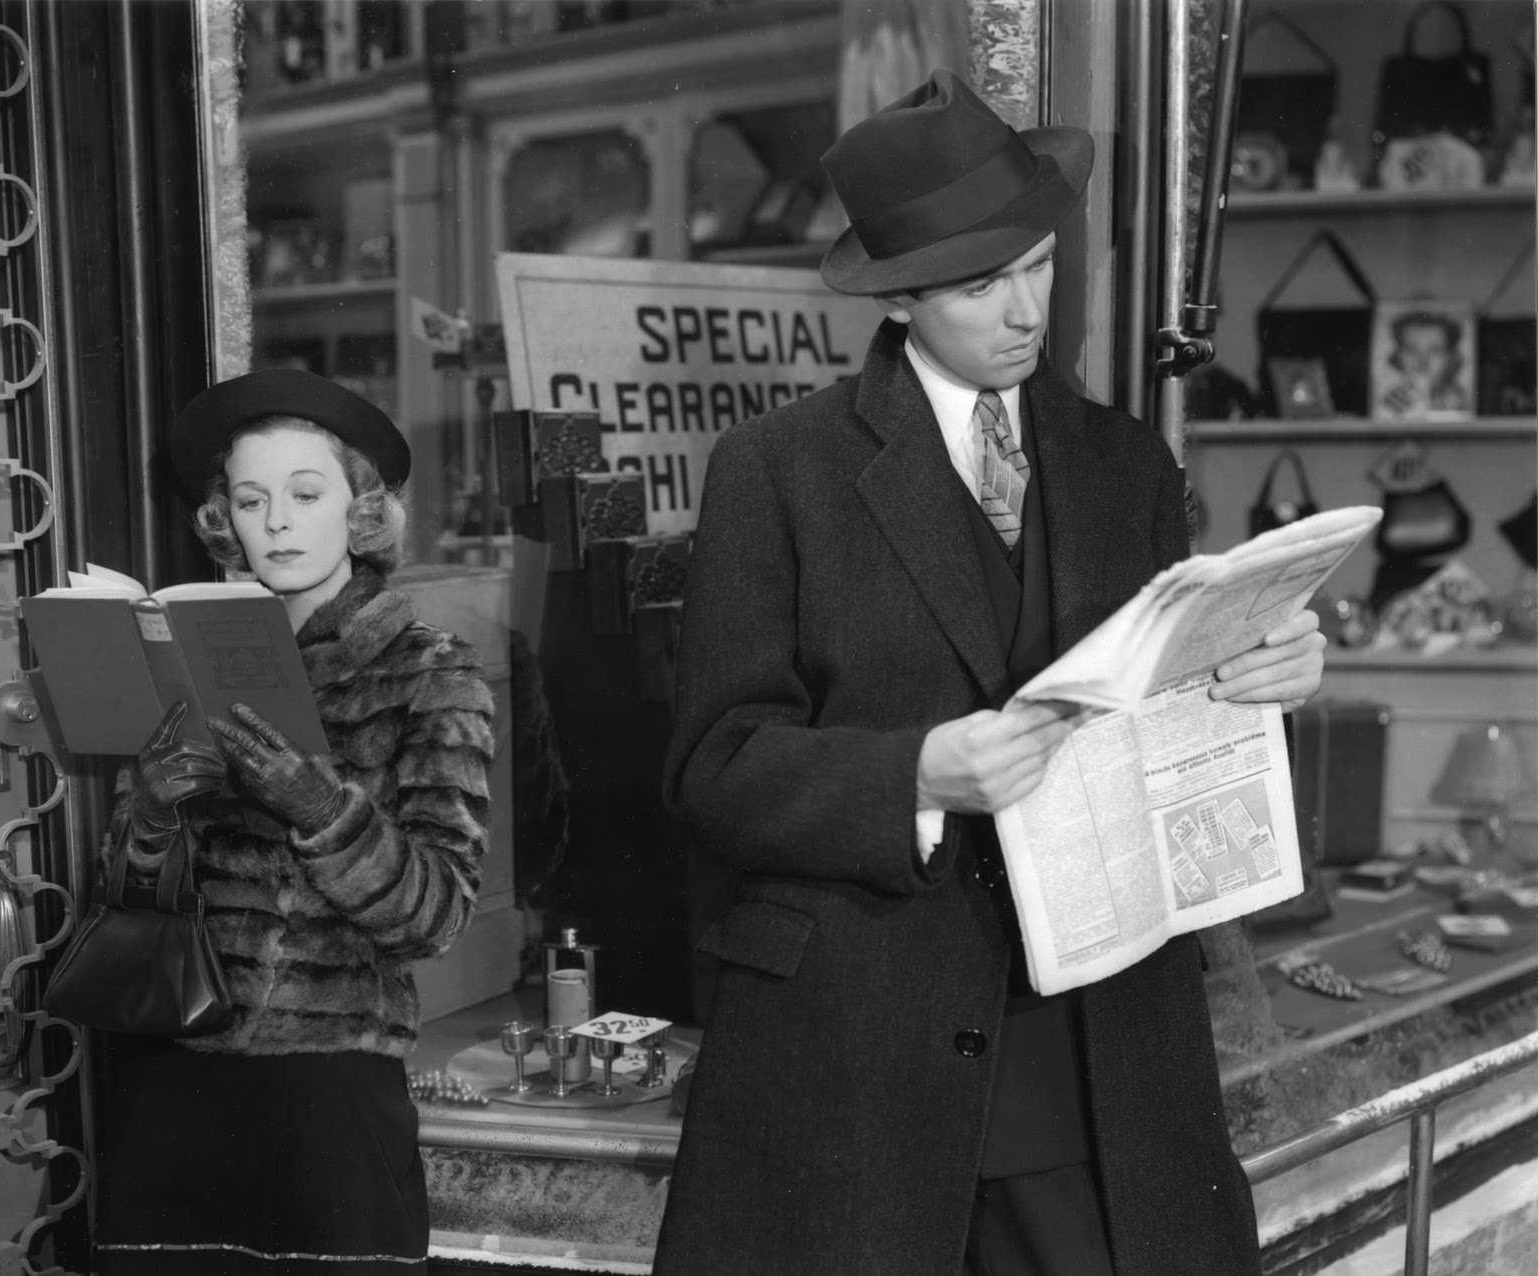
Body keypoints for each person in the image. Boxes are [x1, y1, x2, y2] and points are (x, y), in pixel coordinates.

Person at [654, 69, 1325, 1275]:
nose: (1023, 309)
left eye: (1035, 265)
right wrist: (916, 774)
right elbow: (714, 769)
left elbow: (1170, 730)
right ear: (901, 300)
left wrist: (1260, 680)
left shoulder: (1123, 464)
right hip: (857, 1062)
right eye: (979, 286)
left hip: (1100, 1052)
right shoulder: (778, 470)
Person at [95, 369, 495, 1275]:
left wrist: (319, 808)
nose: (275, 521)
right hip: (175, 1078)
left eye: (305, 494)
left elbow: (438, 914)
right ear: (223, 521)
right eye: (250, 498)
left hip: (330, 1098)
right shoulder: (186, 654)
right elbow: (121, 892)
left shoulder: (430, 673)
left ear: (360, 513)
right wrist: (152, 812)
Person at [1380, 310, 1468, 417]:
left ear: (1450, 357)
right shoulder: (1390, 403)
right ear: (1398, 355)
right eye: (1411, 350)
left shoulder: (1462, 401)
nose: (1422, 362)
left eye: (1435, 350)